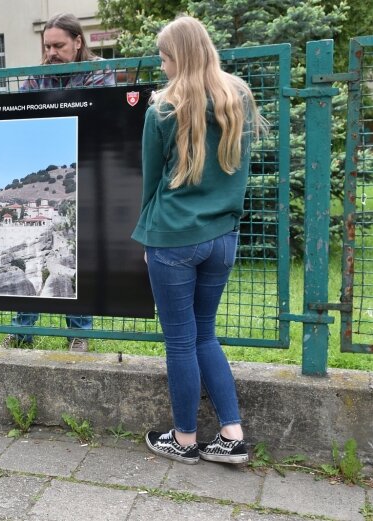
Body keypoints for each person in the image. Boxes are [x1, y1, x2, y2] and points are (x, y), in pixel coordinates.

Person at [131, 16, 267, 464]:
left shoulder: (162, 110)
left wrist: (150, 240)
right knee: (204, 335)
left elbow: (151, 183)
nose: (163, 66)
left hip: (173, 239)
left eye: (165, 58)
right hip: (222, 237)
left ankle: (185, 440)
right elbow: (241, 174)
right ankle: (231, 436)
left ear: (180, 57)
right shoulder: (237, 99)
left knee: (180, 341)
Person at [1, 12, 114, 352]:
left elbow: (99, 118)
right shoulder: (38, 78)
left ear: (78, 42)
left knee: (75, 255)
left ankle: (79, 333)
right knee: (36, 254)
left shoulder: (99, 75)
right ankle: (21, 331)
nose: (51, 53)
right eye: (47, 46)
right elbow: (18, 116)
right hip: (48, 178)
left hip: (88, 179)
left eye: (59, 46)